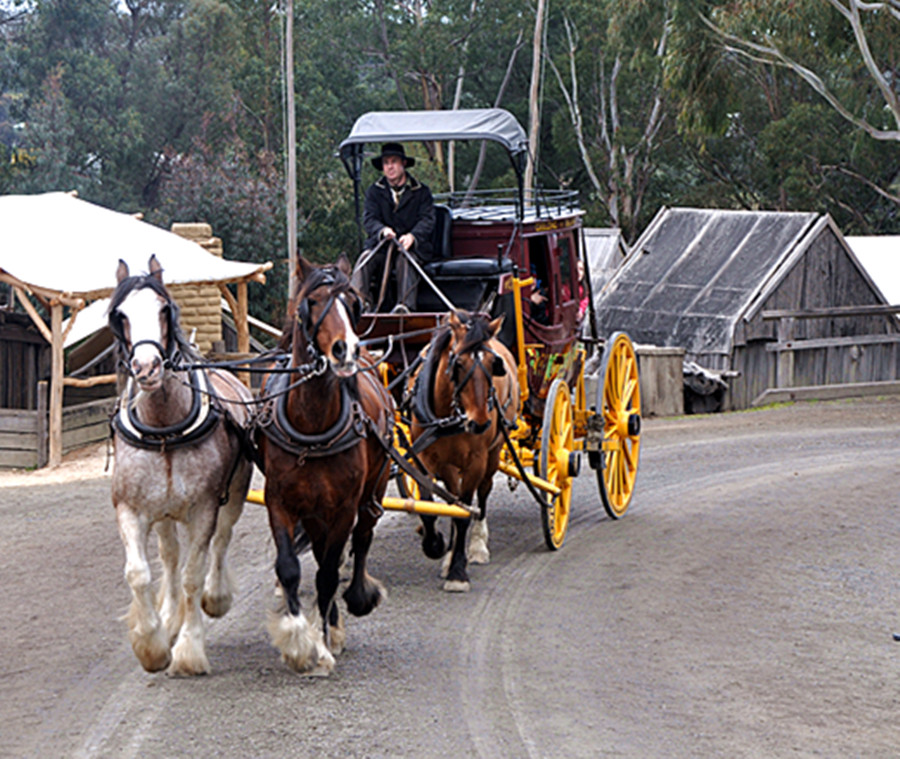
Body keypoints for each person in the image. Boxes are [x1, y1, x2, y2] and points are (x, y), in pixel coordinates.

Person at [356, 142, 435, 311]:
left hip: (412, 250)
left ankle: (405, 308)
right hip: (382, 248)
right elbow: (369, 219)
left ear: (403, 164)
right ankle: (358, 303)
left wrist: (412, 237)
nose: (389, 167)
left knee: (405, 259)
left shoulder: (422, 192)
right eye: (386, 163)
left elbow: (427, 220)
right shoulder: (374, 192)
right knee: (365, 259)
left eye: (393, 162)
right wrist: (382, 231)